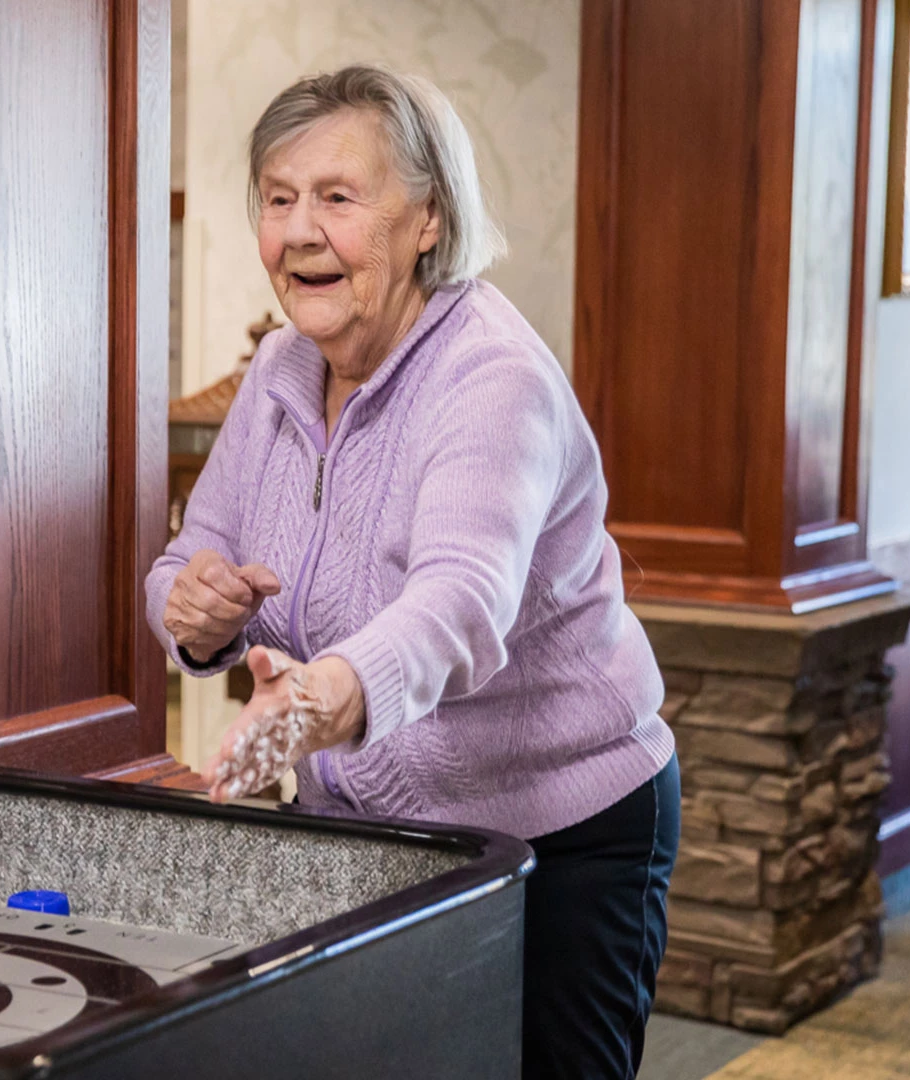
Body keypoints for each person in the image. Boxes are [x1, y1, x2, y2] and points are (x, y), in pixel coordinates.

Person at [144, 65, 678, 1080]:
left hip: (558, 827)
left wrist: (318, 702)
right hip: (365, 824)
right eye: (278, 198)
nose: (301, 231)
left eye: (339, 199)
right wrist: (192, 610)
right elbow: (186, 559)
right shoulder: (275, 375)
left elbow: (461, 607)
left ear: (427, 219)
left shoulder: (491, 377)